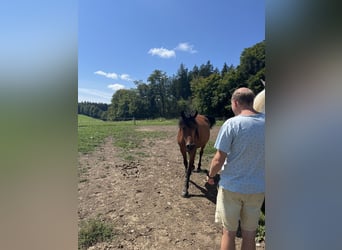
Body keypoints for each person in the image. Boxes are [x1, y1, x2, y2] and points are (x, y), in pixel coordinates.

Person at [206, 87, 265, 250]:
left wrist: (210, 175)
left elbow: (219, 158)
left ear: (235, 102)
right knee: (249, 234)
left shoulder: (232, 124)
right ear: (252, 102)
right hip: (257, 188)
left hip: (231, 188)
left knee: (228, 233)